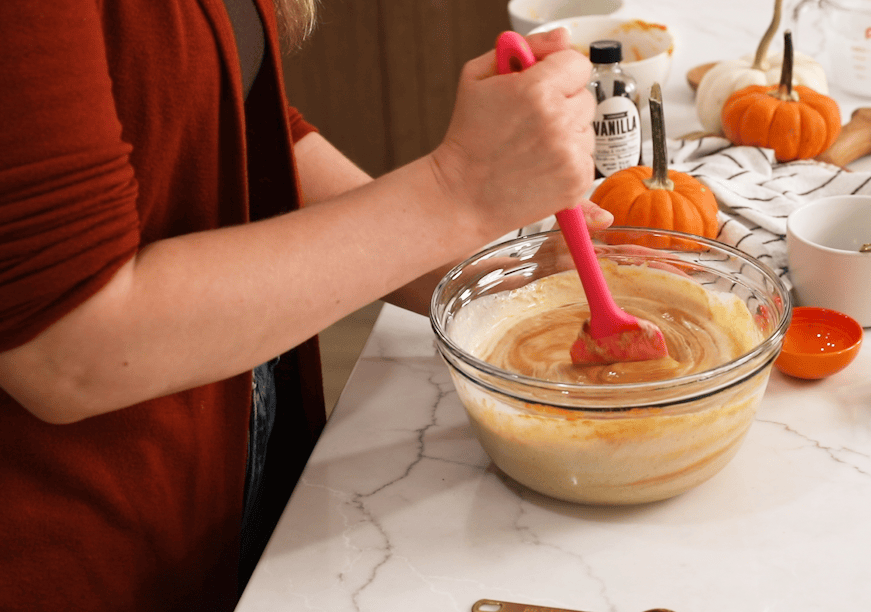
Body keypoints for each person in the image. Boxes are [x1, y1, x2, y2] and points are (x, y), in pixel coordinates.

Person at [0, 0, 609, 609]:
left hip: (226, 467)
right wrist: (458, 194)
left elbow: (226, 114)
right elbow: (70, 346)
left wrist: (459, 266)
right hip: (88, 549)